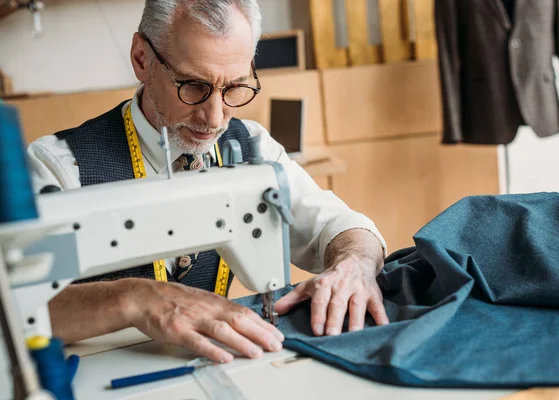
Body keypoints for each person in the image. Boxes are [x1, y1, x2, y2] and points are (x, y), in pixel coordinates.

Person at [27, 0, 389, 364]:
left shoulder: (253, 146)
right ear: (141, 58)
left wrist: (354, 264)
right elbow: (17, 305)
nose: (215, 118)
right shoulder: (60, 168)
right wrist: (132, 299)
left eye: (234, 87)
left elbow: (340, 226)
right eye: (193, 85)